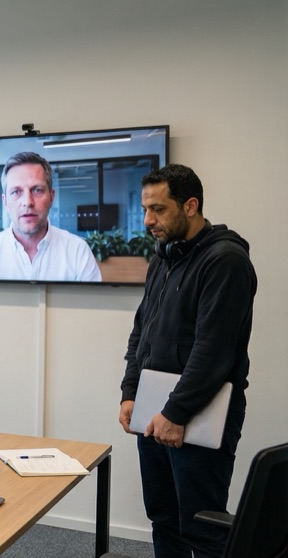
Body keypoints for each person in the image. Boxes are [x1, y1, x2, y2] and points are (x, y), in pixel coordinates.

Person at [118, 164, 256, 557]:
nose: (148, 220)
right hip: (154, 411)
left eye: (158, 209)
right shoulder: (163, 258)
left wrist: (176, 413)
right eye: (145, 209)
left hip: (199, 412)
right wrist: (130, 392)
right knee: (164, 520)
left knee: (204, 529)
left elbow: (213, 352)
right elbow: (141, 333)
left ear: (191, 205)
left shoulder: (225, 260)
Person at [0, 151, 101, 282]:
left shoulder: (78, 251)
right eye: (16, 192)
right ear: (5, 201)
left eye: (37, 190)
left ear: (52, 197)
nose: (28, 202)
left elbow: (96, 305)